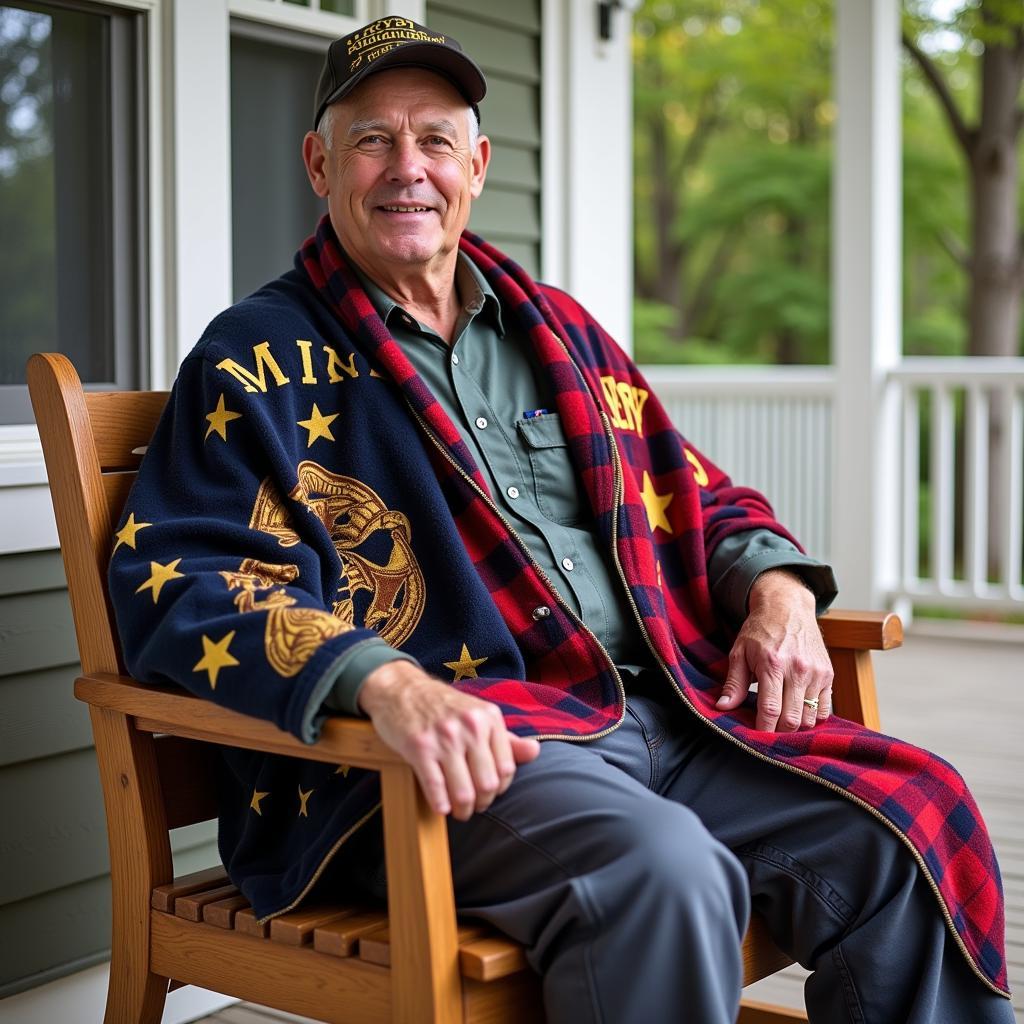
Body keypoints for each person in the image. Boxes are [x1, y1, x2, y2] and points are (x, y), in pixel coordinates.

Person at [108, 16, 1013, 1023]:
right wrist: (384, 680)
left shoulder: (561, 335)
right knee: (666, 876)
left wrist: (777, 587)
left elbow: (698, 496)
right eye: (372, 139)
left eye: (435, 139)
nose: (406, 168)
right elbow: (188, 582)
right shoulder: (254, 360)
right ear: (320, 165)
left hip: (666, 709)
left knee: (908, 817)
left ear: (478, 165)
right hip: (460, 754)